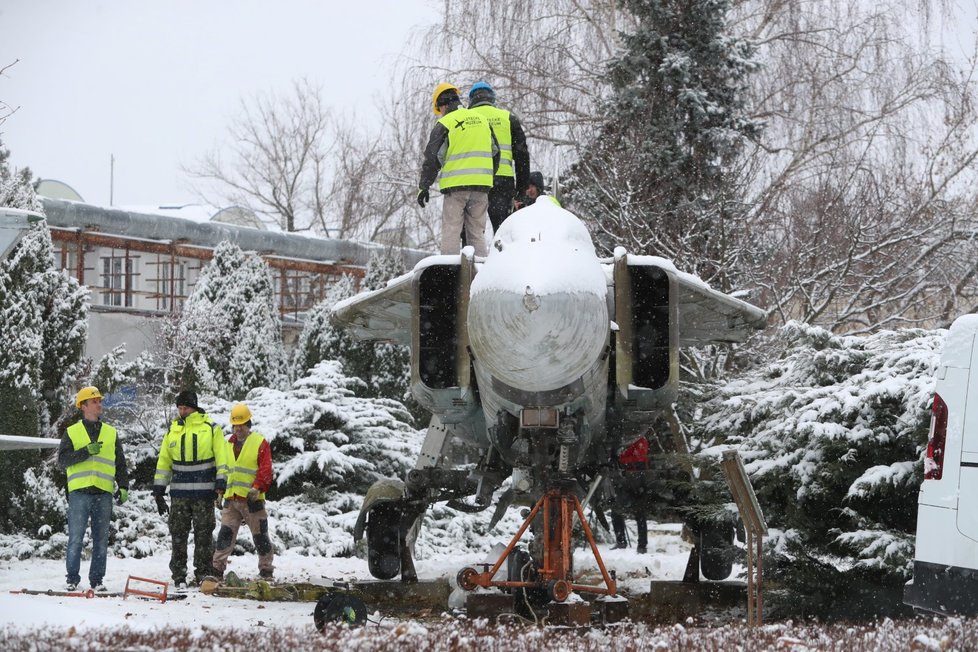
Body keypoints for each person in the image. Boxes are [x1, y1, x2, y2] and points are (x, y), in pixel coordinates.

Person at [58, 386, 130, 592]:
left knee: (101, 540)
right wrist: (84, 452)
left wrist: (123, 486)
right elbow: (62, 461)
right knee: (75, 538)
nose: (100, 404)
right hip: (79, 492)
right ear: (83, 406)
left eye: (100, 400)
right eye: (95, 401)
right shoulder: (71, 432)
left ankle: (97, 580)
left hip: (103, 492)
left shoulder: (110, 432)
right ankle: (72, 578)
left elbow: (120, 462)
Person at [153, 390, 226, 588]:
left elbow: (222, 458)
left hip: (204, 494)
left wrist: (221, 483)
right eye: (179, 408)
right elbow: (164, 462)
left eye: (185, 407)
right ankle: (178, 575)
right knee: (178, 535)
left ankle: (203, 572)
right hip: (179, 496)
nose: (182, 411)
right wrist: (158, 490)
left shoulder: (210, 429)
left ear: (193, 407)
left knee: (203, 535)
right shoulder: (173, 431)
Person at [417, 82, 500, 257]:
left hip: (456, 189)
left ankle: (449, 277)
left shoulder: (446, 123)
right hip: (481, 188)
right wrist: (488, 177)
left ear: (443, 104)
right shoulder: (482, 120)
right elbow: (495, 152)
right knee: (477, 234)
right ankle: (479, 278)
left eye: (439, 109)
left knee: (451, 231)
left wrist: (424, 186)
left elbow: (432, 158)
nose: (440, 113)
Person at [212, 402, 274, 580]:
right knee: (225, 535)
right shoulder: (227, 444)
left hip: (252, 499)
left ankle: (266, 570)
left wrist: (258, 487)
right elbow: (223, 469)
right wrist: (219, 491)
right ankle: (216, 570)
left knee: (260, 536)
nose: (238, 429)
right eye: (235, 425)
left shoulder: (259, 443)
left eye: (241, 425)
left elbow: (266, 469)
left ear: (248, 424)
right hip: (231, 499)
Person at [466, 81, 530, 233]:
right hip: (502, 180)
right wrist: (521, 190)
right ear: (492, 99)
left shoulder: (466, 119)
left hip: (473, 181)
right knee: (502, 229)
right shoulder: (508, 118)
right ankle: (502, 255)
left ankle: (469, 255)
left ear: (471, 100)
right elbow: (522, 156)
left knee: (471, 230)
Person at [610, 434, 650, 553]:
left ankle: (642, 545)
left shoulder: (640, 439)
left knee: (640, 513)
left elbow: (639, 458)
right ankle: (621, 541)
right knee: (616, 511)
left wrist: (621, 459)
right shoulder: (624, 440)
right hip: (623, 478)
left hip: (637, 478)